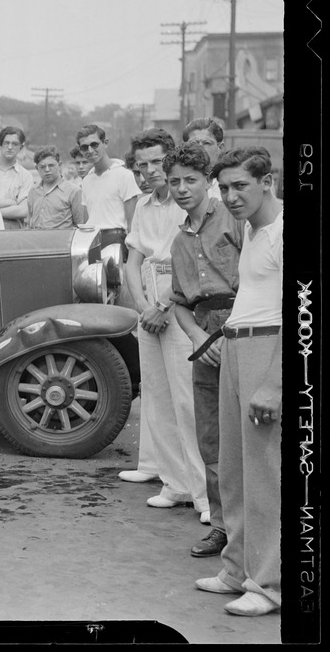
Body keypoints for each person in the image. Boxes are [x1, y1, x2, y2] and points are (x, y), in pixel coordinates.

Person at [196, 147, 282, 617]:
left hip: (267, 351)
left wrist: (274, 384)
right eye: (224, 188)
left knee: (267, 475)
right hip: (235, 346)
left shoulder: (288, 230)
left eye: (240, 186)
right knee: (233, 469)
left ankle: (271, 584)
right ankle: (237, 569)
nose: (229, 196)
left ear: (267, 181)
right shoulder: (253, 229)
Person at [121, 129, 207, 523]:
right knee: (157, 393)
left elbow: (189, 264)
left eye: (158, 162)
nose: (151, 171)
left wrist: (161, 306)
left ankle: (206, 495)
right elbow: (132, 260)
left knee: (187, 397)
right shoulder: (143, 205)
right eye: (143, 165)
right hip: (149, 303)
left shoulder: (189, 201)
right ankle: (175, 483)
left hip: (179, 300)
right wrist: (142, 306)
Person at [165, 142, 245, 560]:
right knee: (211, 438)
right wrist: (198, 337)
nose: (182, 188)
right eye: (174, 181)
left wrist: (232, 328)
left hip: (244, 328)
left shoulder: (233, 218)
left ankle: (261, 533)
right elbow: (179, 301)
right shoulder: (178, 241)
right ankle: (221, 529)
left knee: (250, 435)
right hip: (204, 338)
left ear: (208, 181)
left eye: (191, 180)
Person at [76, 125, 142, 234]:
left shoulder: (124, 175)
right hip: (92, 240)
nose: (90, 150)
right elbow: (87, 220)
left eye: (94, 145)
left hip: (116, 240)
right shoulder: (87, 180)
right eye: (84, 147)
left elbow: (132, 223)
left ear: (105, 143)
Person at [26, 147, 87, 230]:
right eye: (42, 167)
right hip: (36, 240)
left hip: (61, 240)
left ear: (59, 165)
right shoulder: (33, 191)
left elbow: (80, 225)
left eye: (51, 165)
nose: (47, 170)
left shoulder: (73, 191)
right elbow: (29, 222)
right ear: (37, 168)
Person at [182, 117, 227, 202]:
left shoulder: (228, 183)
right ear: (183, 147)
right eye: (194, 143)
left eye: (207, 143)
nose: (200, 148)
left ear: (220, 147)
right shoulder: (177, 184)